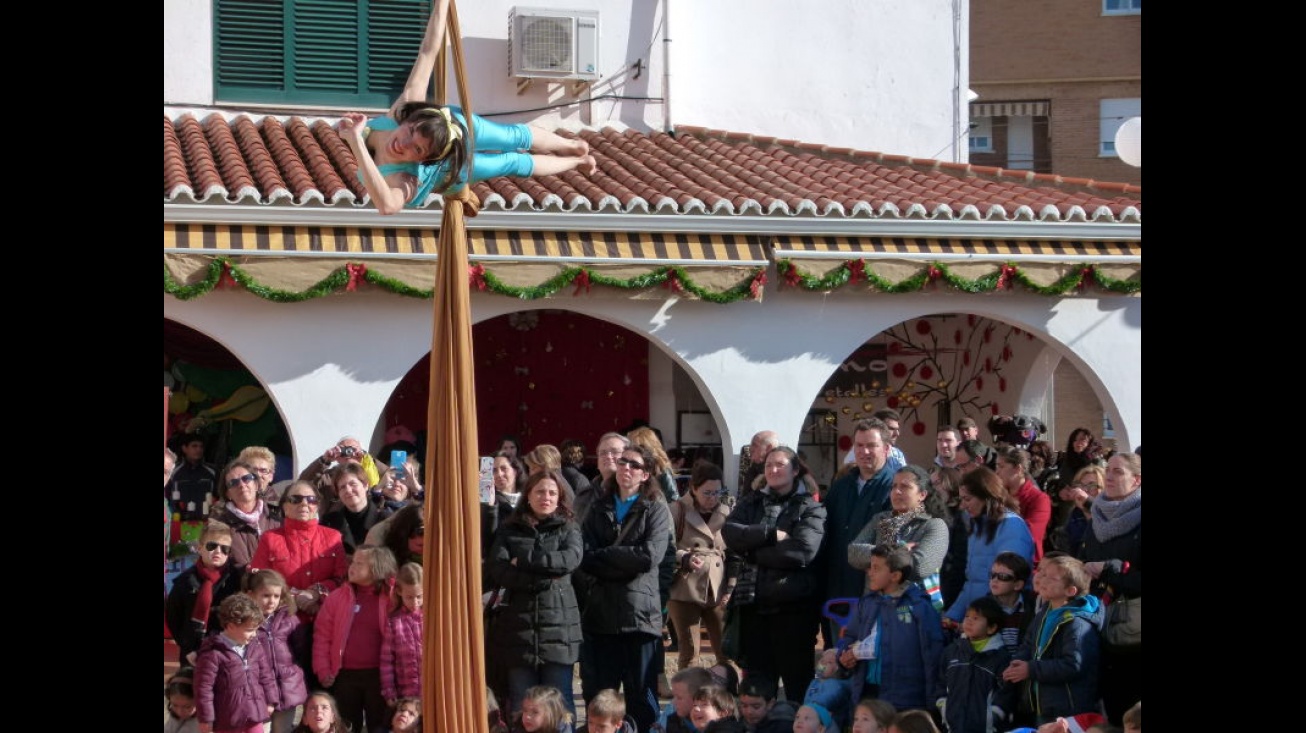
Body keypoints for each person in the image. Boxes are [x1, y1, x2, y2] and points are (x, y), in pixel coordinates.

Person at [339, 7, 595, 216]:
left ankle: (572, 145)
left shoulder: (401, 115)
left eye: (413, 138)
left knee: (513, 137)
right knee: (512, 161)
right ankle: (577, 160)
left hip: (456, 126)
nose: (403, 143)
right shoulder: (404, 178)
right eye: (415, 146)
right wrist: (354, 142)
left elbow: (429, 51)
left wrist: (441, 4)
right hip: (455, 167)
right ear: (422, 159)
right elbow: (387, 206)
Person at [572, 443, 671, 731]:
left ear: (646, 474)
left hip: (639, 618)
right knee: (599, 696)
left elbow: (650, 556)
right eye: (623, 462)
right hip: (600, 616)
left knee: (642, 697)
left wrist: (607, 557)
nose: (625, 467)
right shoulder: (597, 505)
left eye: (634, 464)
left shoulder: (655, 508)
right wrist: (624, 558)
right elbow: (584, 556)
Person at [722, 445, 826, 703]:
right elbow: (730, 533)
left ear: (795, 470)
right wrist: (769, 535)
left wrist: (753, 552)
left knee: (797, 687)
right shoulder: (752, 501)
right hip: (753, 607)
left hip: (793, 610)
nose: (773, 470)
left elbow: (802, 552)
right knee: (757, 688)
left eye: (780, 464)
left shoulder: (810, 507)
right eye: (769, 465)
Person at [485, 471, 583, 719]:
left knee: (560, 703)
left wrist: (525, 560)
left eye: (552, 492)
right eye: (540, 491)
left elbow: (569, 560)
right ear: (527, 495)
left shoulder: (569, 527)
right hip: (519, 632)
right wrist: (540, 578)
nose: (546, 497)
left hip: (559, 631)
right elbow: (499, 569)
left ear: (559, 497)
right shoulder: (509, 530)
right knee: (522, 703)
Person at [1075, 453, 1141, 726]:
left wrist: (1110, 568)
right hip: (1096, 623)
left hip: (1132, 636)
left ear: (1137, 480)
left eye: (1118, 472)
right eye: (1108, 470)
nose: (1109, 477)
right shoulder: (1096, 516)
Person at [837, 544, 943, 713]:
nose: (869, 572)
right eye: (870, 567)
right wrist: (842, 657)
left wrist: (933, 702)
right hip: (868, 694)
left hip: (905, 701)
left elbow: (933, 656)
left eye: (876, 568)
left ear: (895, 575)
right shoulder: (867, 602)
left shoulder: (919, 607)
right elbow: (850, 636)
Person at [1001, 555, 1102, 726]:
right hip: (1045, 704)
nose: (1042, 580)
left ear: (1071, 591)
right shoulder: (1045, 612)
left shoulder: (1077, 623)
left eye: (1051, 578)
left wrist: (1030, 669)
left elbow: (1073, 665)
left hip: (1068, 709)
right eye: (1043, 574)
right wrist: (1017, 663)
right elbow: (1028, 643)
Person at [312, 545, 399, 733]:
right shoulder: (337, 597)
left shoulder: (391, 597)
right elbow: (322, 636)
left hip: (379, 676)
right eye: (353, 562)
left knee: (380, 726)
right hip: (345, 675)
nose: (352, 566)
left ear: (377, 568)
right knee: (347, 726)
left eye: (360, 563)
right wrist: (323, 668)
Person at [821, 419, 895, 627]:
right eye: (859, 445)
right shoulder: (840, 486)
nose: (864, 451)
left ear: (887, 448)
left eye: (871, 445)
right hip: (836, 588)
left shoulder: (894, 489)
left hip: (871, 591)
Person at [943, 467, 1036, 626]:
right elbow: (972, 582)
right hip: (979, 618)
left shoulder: (1011, 526)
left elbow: (1007, 581)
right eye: (961, 499)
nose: (963, 506)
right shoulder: (978, 528)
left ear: (986, 496)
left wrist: (982, 621)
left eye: (967, 499)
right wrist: (953, 616)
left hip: (999, 621)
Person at [848, 465, 949, 610]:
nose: (897, 491)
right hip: (876, 606)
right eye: (893, 486)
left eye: (905, 487)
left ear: (922, 495)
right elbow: (853, 552)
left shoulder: (934, 526)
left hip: (914, 610)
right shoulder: (880, 520)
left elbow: (920, 567)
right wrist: (899, 550)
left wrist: (877, 559)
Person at [667, 460, 737, 671]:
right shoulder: (676, 510)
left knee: (727, 652)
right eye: (707, 493)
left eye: (717, 492)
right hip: (684, 588)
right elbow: (665, 547)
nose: (712, 498)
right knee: (689, 654)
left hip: (718, 588)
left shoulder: (728, 511)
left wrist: (732, 586)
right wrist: (684, 557)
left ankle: (731, 696)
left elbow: (735, 552)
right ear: (693, 489)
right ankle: (687, 700)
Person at [250, 481, 348, 622]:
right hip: (282, 620)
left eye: (311, 500)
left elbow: (342, 578)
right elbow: (258, 580)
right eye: (296, 499)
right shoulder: (270, 538)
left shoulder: (333, 537)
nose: (304, 504)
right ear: (285, 507)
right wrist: (293, 597)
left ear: (317, 507)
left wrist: (317, 591)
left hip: (326, 618)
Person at [167, 520, 247, 666]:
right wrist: (186, 648)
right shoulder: (185, 580)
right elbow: (173, 617)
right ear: (200, 548)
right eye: (212, 546)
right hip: (193, 652)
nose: (218, 552)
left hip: (228, 650)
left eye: (225, 549)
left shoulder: (237, 579)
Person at [193, 593, 277, 733]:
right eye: (250, 630)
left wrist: (270, 700)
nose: (254, 634)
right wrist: (206, 718)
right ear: (231, 626)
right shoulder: (213, 653)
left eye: (256, 629)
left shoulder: (255, 646)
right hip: (228, 720)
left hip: (254, 714)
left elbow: (266, 675)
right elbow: (203, 688)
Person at [936, 596, 1017, 733]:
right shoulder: (952, 652)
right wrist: (944, 707)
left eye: (976, 618)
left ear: (991, 628)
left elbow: (1006, 694)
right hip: (953, 727)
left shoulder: (1001, 658)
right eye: (967, 616)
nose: (968, 621)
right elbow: (940, 684)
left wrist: (992, 717)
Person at [244, 569, 307, 733]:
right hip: (260, 691)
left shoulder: (289, 619)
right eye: (265, 596)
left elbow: (300, 648)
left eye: (276, 596)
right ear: (251, 595)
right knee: (260, 729)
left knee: (283, 729)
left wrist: (294, 671)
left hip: (287, 688)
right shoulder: (245, 622)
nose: (271, 601)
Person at [213, 459, 282, 570]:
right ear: (228, 493)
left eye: (246, 478)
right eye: (234, 483)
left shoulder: (277, 515)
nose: (241, 485)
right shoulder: (221, 524)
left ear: (256, 484)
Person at [994, 447, 1052, 564]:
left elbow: (1029, 534)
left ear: (1018, 469)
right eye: (997, 466)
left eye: (1001, 466)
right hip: (995, 561)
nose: (997, 472)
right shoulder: (996, 496)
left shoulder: (1039, 499)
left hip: (1025, 564)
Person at [297, 436, 387, 512]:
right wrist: (324, 460)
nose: (349, 454)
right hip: (335, 524)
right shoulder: (328, 477)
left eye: (353, 449)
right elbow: (302, 483)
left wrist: (368, 459)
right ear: (337, 457)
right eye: (344, 450)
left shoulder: (372, 472)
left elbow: (390, 474)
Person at [381, 562, 425, 707]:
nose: (415, 602)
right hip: (407, 696)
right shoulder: (394, 622)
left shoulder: (432, 619)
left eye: (419, 596)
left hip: (433, 693)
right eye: (409, 597)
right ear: (399, 592)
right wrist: (389, 691)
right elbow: (387, 661)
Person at [928, 465, 969, 611]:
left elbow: (959, 562)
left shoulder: (960, 517)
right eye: (930, 484)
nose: (932, 489)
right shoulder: (934, 516)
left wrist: (945, 597)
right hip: (934, 589)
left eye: (937, 483)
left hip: (949, 593)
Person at [322, 463, 385, 556]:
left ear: (365, 485)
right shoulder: (330, 522)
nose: (348, 490)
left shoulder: (384, 520)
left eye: (353, 484)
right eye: (342, 487)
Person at [1047, 465, 1105, 556]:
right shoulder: (1072, 519)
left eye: (1092, 485)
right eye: (1080, 485)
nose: (1084, 490)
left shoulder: (1111, 518)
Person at [986, 551, 1035, 654]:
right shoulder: (984, 607)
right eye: (992, 575)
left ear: (1018, 585)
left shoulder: (1031, 606)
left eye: (1003, 577)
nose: (994, 580)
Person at [484, 452, 528, 557]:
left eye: (504, 469)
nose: (499, 474)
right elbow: (488, 538)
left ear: (515, 471)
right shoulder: (488, 503)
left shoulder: (529, 499)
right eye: (494, 471)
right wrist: (490, 507)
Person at [168, 433, 217, 521]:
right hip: (179, 522)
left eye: (201, 447)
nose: (198, 449)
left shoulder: (212, 471)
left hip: (206, 522)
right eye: (194, 446)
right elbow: (167, 497)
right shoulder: (173, 471)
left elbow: (219, 496)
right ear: (184, 448)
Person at [803, 649, 852, 731]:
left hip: (828, 726)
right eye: (822, 661)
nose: (824, 664)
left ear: (837, 668)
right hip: (810, 718)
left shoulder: (836, 684)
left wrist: (814, 706)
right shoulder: (815, 682)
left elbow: (829, 696)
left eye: (829, 662)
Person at [662, 666, 716, 733]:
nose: (673, 702)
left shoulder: (719, 725)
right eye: (674, 696)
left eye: (679, 698)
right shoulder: (673, 722)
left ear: (699, 699)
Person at [1052, 429, 1105, 495]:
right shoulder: (1067, 460)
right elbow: (1063, 481)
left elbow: (1101, 485)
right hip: (1069, 500)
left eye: (1082, 439)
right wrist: (1062, 490)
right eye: (1074, 440)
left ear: (1089, 442)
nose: (1078, 442)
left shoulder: (1096, 461)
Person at [739, 430, 780, 498]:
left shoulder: (783, 470)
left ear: (769, 447)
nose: (751, 448)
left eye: (755, 445)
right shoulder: (755, 467)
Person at [165, 667, 200, 733]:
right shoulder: (175, 714)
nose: (179, 712)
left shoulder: (203, 723)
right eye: (174, 705)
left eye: (187, 707)